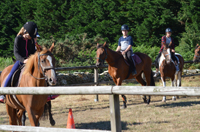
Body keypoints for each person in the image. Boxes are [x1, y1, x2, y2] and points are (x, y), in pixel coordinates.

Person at [0, 21, 38, 103]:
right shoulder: (18, 39)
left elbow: (32, 52)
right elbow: (16, 53)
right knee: (12, 73)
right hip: (20, 61)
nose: (31, 37)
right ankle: (2, 93)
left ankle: (47, 93)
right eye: (30, 35)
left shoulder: (31, 41)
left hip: (29, 61)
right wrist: (23, 60)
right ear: (25, 32)